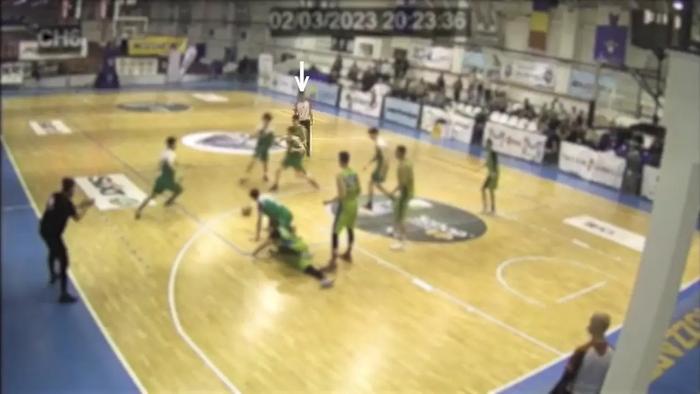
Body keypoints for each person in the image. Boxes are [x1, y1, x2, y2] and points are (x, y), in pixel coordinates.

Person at [40, 178, 94, 303]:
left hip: (43, 229)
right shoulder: (67, 203)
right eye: (74, 188)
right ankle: (63, 294)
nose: (74, 191)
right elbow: (77, 217)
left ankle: (53, 274)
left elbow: (64, 208)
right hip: (54, 234)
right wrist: (87, 207)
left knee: (52, 251)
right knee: (64, 261)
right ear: (70, 189)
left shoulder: (54, 195)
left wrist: (81, 204)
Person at [252, 226, 334, 288]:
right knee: (280, 253)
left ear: (275, 238)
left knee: (308, 268)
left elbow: (265, 244)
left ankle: (323, 279)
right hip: (299, 246)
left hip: (298, 252)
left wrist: (254, 253)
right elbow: (293, 228)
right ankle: (323, 272)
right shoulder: (282, 231)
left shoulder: (285, 244)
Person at [551, 312, 613, 394]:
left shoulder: (582, 351)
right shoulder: (612, 353)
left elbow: (567, 377)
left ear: (593, 327)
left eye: (591, 322)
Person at [322, 151, 361, 272]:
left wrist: (329, 201)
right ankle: (348, 253)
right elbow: (359, 189)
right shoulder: (354, 173)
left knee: (335, 232)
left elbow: (342, 194)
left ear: (340, 160)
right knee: (350, 229)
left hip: (345, 207)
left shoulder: (340, 175)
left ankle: (333, 262)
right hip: (354, 204)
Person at [135, 136, 183, 219]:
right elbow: (168, 164)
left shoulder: (163, 152)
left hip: (160, 179)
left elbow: (164, 163)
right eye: (175, 144)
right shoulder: (172, 154)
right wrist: (176, 172)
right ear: (171, 144)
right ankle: (168, 202)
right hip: (167, 179)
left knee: (152, 196)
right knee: (179, 190)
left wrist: (176, 164)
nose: (176, 145)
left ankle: (139, 210)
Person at [269, 122, 319, 192]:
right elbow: (280, 139)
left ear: (292, 133)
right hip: (288, 158)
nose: (288, 134)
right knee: (278, 170)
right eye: (287, 132)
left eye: (289, 133)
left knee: (299, 175)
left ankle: (313, 182)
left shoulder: (296, 140)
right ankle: (275, 185)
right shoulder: (286, 137)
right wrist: (276, 142)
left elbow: (303, 149)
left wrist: (294, 149)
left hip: (295, 159)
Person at [388, 145, 414, 251]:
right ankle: (397, 232)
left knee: (401, 218)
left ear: (401, 153)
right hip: (408, 191)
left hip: (405, 193)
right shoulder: (408, 162)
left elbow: (402, 183)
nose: (395, 153)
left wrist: (392, 192)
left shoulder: (402, 166)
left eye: (396, 152)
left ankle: (402, 242)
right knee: (397, 214)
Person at [240, 113, 275, 184]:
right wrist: (251, 136)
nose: (266, 122)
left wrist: (270, 142)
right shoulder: (260, 126)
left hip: (265, 147)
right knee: (253, 161)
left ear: (269, 121)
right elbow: (256, 134)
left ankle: (265, 175)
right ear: (263, 120)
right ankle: (245, 177)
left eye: (268, 120)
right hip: (259, 146)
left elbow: (269, 137)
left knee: (265, 162)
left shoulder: (271, 128)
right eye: (265, 120)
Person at [363, 127, 390, 211]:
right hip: (383, 165)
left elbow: (381, 157)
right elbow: (380, 156)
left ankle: (369, 204)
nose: (369, 137)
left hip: (381, 166)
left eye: (370, 135)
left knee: (371, 183)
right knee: (377, 185)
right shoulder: (380, 141)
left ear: (374, 134)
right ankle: (392, 198)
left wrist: (381, 170)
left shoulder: (379, 143)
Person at [481, 139, 499, 214]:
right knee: (483, 189)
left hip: (494, 174)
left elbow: (495, 164)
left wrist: (494, 173)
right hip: (490, 174)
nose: (486, 145)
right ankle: (486, 208)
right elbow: (489, 162)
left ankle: (492, 209)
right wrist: (485, 164)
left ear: (490, 145)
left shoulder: (493, 153)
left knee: (490, 191)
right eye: (486, 144)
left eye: (487, 144)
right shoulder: (488, 153)